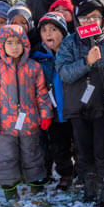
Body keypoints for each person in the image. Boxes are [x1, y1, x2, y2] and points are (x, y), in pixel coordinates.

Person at [55, 0, 104, 207]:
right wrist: (87, 62)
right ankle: (89, 187)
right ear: (76, 19)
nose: (90, 22)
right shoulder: (69, 42)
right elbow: (64, 73)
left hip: (102, 107)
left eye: (95, 17)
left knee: (103, 149)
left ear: (103, 18)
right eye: (84, 18)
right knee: (83, 150)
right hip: (77, 107)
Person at [0, 25, 53, 200]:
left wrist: (45, 114)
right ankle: (9, 185)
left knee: (32, 153)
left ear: (25, 44)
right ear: (2, 45)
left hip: (30, 122)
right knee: (7, 155)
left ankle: (36, 182)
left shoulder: (34, 67)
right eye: (10, 43)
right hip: (5, 124)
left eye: (18, 43)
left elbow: (42, 93)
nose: (14, 47)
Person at [31, 12, 75, 190]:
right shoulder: (39, 58)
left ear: (63, 32)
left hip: (73, 107)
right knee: (58, 145)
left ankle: (80, 169)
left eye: (54, 29)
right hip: (54, 111)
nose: (48, 34)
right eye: (44, 30)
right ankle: (65, 173)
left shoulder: (71, 52)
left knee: (78, 142)